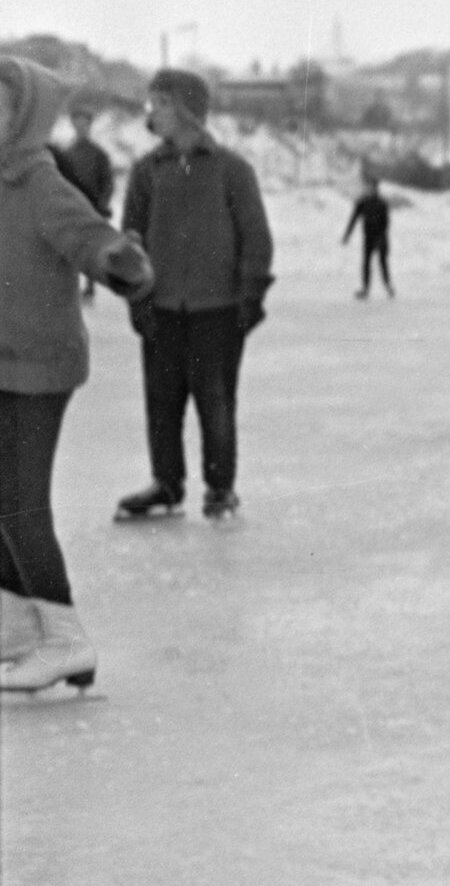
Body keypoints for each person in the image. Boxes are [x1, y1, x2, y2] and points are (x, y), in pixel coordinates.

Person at [1, 57, 154, 693]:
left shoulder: (38, 180)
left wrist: (120, 260)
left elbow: (88, 235)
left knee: (21, 505)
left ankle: (66, 640)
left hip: (40, 362)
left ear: (24, 117)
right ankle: (18, 628)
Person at [114, 68, 274, 523]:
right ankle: (167, 483)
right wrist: (137, 300)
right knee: (161, 403)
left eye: (159, 103)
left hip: (218, 311)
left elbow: (256, 238)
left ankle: (220, 488)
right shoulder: (146, 173)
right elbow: (130, 243)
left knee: (216, 402)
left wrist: (249, 298)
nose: (151, 112)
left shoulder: (232, 170)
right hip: (162, 310)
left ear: (186, 109)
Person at [53, 103, 113, 301]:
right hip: (70, 206)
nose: (81, 126)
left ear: (90, 126)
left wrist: (103, 203)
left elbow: (107, 182)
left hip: (92, 206)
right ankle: (67, 287)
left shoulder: (99, 154)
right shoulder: (66, 153)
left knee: (89, 248)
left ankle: (89, 286)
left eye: (85, 123)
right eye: (77, 122)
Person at [341, 174, 393, 300]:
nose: (370, 189)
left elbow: (386, 223)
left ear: (376, 188)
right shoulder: (362, 203)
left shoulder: (382, 203)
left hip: (381, 237)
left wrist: (381, 238)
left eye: (373, 187)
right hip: (368, 237)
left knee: (382, 263)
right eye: (369, 187)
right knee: (366, 263)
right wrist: (347, 234)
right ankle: (365, 289)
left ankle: (388, 286)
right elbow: (354, 218)